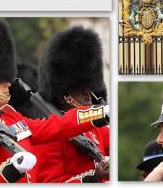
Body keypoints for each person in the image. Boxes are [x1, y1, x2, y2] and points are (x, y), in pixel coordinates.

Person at [0, 18, 109, 183]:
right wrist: (8, 170)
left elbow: (57, 126)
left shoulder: (12, 119)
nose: (8, 82)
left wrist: (99, 113)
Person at [35, 26, 110, 183]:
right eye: (81, 90)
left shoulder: (96, 129)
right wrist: (93, 177)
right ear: (64, 97)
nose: (88, 94)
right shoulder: (50, 134)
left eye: (89, 88)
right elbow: (49, 182)